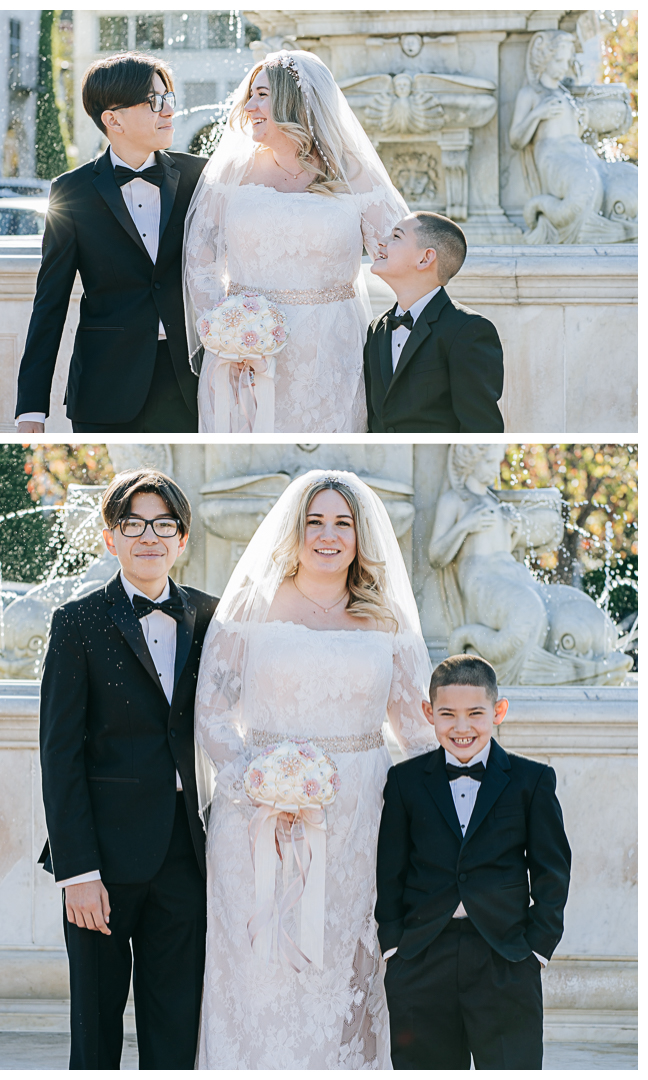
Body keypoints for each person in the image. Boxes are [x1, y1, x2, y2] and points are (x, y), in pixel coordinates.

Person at [194, 470, 438, 1068]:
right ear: (296, 530)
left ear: (360, 537)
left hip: (359, 824)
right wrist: (261, 781)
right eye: (316, 521)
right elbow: (212, 714)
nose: (328, 535)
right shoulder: (253, 606)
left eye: (343, 523)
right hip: (258, 820)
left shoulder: (386, 620)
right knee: (261, 973)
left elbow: (419, 732)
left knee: (342, 973)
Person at [39, 469, 218, 1068]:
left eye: (164, 524)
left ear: (182, 538)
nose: (150, 537)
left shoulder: (211, 618)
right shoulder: (77, 623)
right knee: (95, 1037)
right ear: (111, 537)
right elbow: (58, 754)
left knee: (176, 1032)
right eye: (133, 524)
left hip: (185, 859)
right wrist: (77, 871)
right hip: (102, 862)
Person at [183, 50, 409, 433]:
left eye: (261, 95)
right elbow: (200, 264)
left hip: (330, 352)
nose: (248, 106)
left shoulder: (353, 172)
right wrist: (225, 333)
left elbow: (404, 254)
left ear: (293, 101)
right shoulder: (232, 174)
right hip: (243, 353)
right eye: (249, 95)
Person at [376, 654, 571, 1070]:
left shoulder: (531, 781)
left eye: (475, 714)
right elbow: (389, 870)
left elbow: (552, 869)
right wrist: (394, 946)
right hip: (422, 957)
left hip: (505, 957)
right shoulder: (405, 781)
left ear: (498, 711)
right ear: (429, 713)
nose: (461, 727)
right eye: (447, 714)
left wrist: (537, 948)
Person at [15, 53, 206, 434]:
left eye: (168, 97)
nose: (168, 110)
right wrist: (31, 409)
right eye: (154, 101)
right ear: (112, 119)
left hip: (190, 384)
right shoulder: (71, 191)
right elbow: (49, 302)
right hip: (104, 387)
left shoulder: (198, 176)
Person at [364, 211, 505, 432]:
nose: (381, 242)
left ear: (425, 258)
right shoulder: (377, 329)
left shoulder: (468, 331)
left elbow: (480, 428)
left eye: (396, 237)